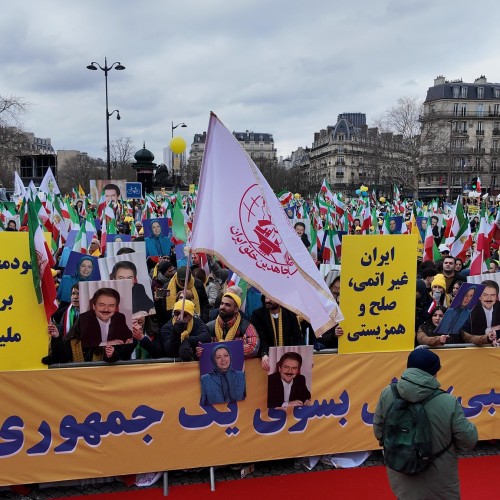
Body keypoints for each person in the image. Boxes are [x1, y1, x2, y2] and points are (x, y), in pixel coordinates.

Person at [373, 349, 478, 499]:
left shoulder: (388, 393)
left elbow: (378, 431)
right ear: (433, 373)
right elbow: (468, 441)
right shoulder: (448, 402)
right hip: (439, 483)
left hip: (401, 475)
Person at [44, 288, 135, 363]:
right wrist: (57, 337)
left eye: (111, 305)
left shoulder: (115, 335)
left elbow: (122, 357)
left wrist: (111, 355)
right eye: (101, 305)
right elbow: (62, 358)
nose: (106, 309)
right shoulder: (74, 339)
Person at [251, 296, 304, 371]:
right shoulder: (258, 314)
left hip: (289, 357)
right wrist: (264, 354)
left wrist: (304, 356)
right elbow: (261, 338)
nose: (267, 300)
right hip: (268, 359)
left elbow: (297, 337)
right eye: (266, 297)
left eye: (270, 298)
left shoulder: (290, 313)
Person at [200, 292, 259, 359]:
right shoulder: (209, 326)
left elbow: (253, 347)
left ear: (236, 309)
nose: (222, 307)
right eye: (222, 304)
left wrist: (225, 350)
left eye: (227, 305)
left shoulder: (246, 326)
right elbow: (202, 348)